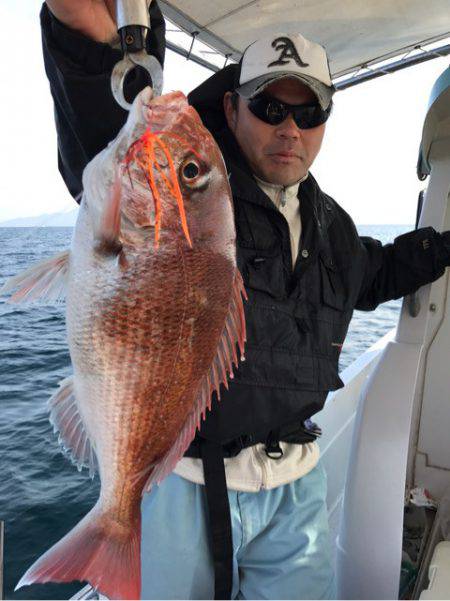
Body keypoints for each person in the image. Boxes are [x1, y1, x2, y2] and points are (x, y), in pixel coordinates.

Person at [40, 2, 450, 599]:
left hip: (297, 481)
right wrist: (94, 42)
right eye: (269, 106)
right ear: (231, 108)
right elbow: (104, 139)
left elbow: (373, 273)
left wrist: (441, 246)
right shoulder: (196, 187)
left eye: (309, 112)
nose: (290, 128)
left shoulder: (329, 222)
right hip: (180, 477)